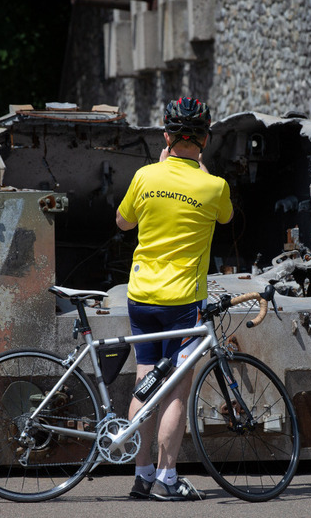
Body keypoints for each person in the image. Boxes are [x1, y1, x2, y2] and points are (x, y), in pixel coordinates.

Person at [115, 97, 233, 501]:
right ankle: (167, 479)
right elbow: (226, 218)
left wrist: (160, 172)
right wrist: (200, 172)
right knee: (176, 392)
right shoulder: (214, 185)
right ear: (204, 139)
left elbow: (123, 221)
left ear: (166, 136)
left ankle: (143, 473)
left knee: (145, 382)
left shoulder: (145, 176)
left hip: (141, 296)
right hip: (183, 302)